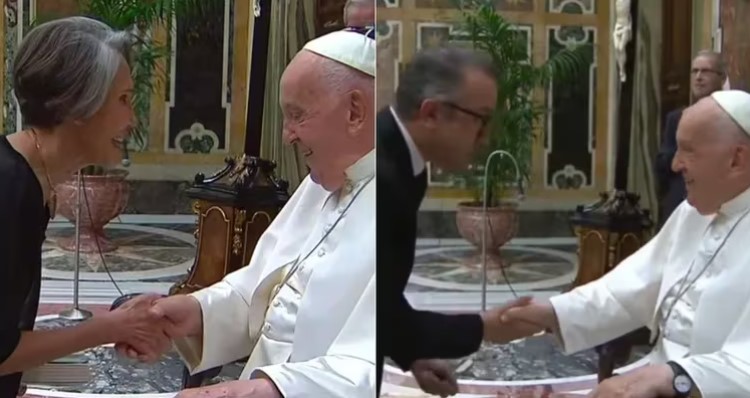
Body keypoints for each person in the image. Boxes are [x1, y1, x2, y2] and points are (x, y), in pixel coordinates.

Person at [117, 29, 377, 398]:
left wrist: (272, 390)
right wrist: (196, 311)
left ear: (355, 111)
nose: (287, 135)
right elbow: (261, 289)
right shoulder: (321, 182)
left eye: (297, 115)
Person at [504, 90, 750, 397]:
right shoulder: (693, 211)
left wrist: (675, 379)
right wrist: (554, 313)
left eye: (688, 150)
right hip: (654, 376)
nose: (674, 165)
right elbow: (629, 288)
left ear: (736, 159)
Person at [0, 16, 170, 397]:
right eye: (124, 100)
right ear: (78, 105)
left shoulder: (32, 180)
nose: (133, 119)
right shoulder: (9, 188)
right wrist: (114, 326)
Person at [376, 46, 543, 396]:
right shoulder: (380, 176)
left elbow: (381, 294)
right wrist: (486, 326)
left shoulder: (407, 163)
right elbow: (372, 313)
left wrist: (412, 354)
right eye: (481, 119)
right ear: (432, 112)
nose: (487, 137)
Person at [655, 50, 726, 228]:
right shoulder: (676, 118)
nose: (699, 77)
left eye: (705, 71)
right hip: (681, 200)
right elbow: (664, 166)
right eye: (695, 71)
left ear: (722, 78)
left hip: (720, 203)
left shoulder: (730, 117)